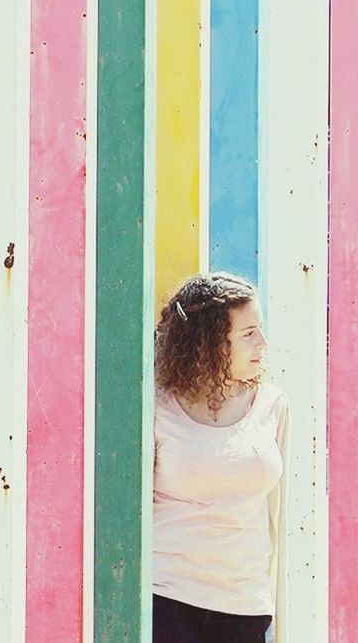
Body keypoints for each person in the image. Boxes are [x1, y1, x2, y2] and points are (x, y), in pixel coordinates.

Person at [152, 271, 289, 643]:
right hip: (167, 596)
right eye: (248, 334)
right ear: (210, 341)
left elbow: (283, 515)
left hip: (246, 603)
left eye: (259, 330)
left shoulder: (272, 405)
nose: (262, 343)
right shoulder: (158, 406)